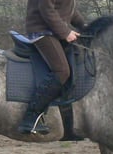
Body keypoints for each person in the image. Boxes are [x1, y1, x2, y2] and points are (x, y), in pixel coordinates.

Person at [18, 0, 85, 135]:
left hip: (53, 30)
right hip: (42, 31)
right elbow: (47, 9)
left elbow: (66, 9)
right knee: (62, 71)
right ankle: (30, 118)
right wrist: (66, 32)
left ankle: (68, 123)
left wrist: (84, 26)